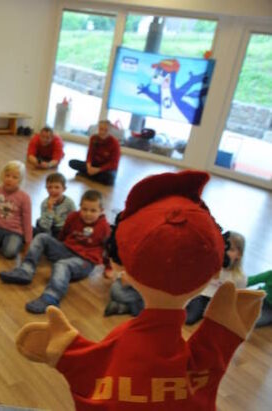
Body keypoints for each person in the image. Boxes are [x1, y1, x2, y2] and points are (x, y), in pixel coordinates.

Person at [15, 170, 264, 410]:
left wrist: (66, 348)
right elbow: (211, 359)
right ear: (212, 272)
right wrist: (224, 330)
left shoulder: (126, 338)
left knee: (114, 294)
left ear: (122, 263)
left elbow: (93, 370)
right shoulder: (194, 357)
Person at [0, 190, 110, 314]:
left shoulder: (104, 227)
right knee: (42, 237)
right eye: (84, 209)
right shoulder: (73, 216)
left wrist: (108, 268)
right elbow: (63, 234)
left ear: (101, 210)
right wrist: (56, 247)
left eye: (93, 210)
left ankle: (51, 296)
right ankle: (25, 270)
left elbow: (108, 249)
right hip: (66, 249)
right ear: (80, 207)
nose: (88, 214)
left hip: (85, 261)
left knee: (62, 265)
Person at [185, 231, 247, 325]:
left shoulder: (239, 277)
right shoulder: (211, 263)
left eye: (231, 249)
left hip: (215, 301)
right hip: (200, 293)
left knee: (189, 318)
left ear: (239, 254)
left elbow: (237, 298)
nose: (225, 252)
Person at [68, 119, 120, 185]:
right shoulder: (94, 138)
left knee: (109, 179)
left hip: (106, 169)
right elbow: (90, 154)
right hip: (94, 165)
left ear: (109, 131)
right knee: (72, 162)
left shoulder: (114, 143)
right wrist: (89, 166)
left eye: (105, 130)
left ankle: (86, 174)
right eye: (101, 129)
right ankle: (90, 174)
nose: (103, 132)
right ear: (98, 128)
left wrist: (98, 169)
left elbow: (113, 164)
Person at [34, 172, 76, 237]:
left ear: (64, 189)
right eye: (50, 187)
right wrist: (49, 209)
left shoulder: (69, 203)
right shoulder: (45, 203)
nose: (53, 190)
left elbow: (75, 219)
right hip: (49, 227)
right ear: (46, 188)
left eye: (57, 187)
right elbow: (45, 226)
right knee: (39, 222)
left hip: (62, 229)